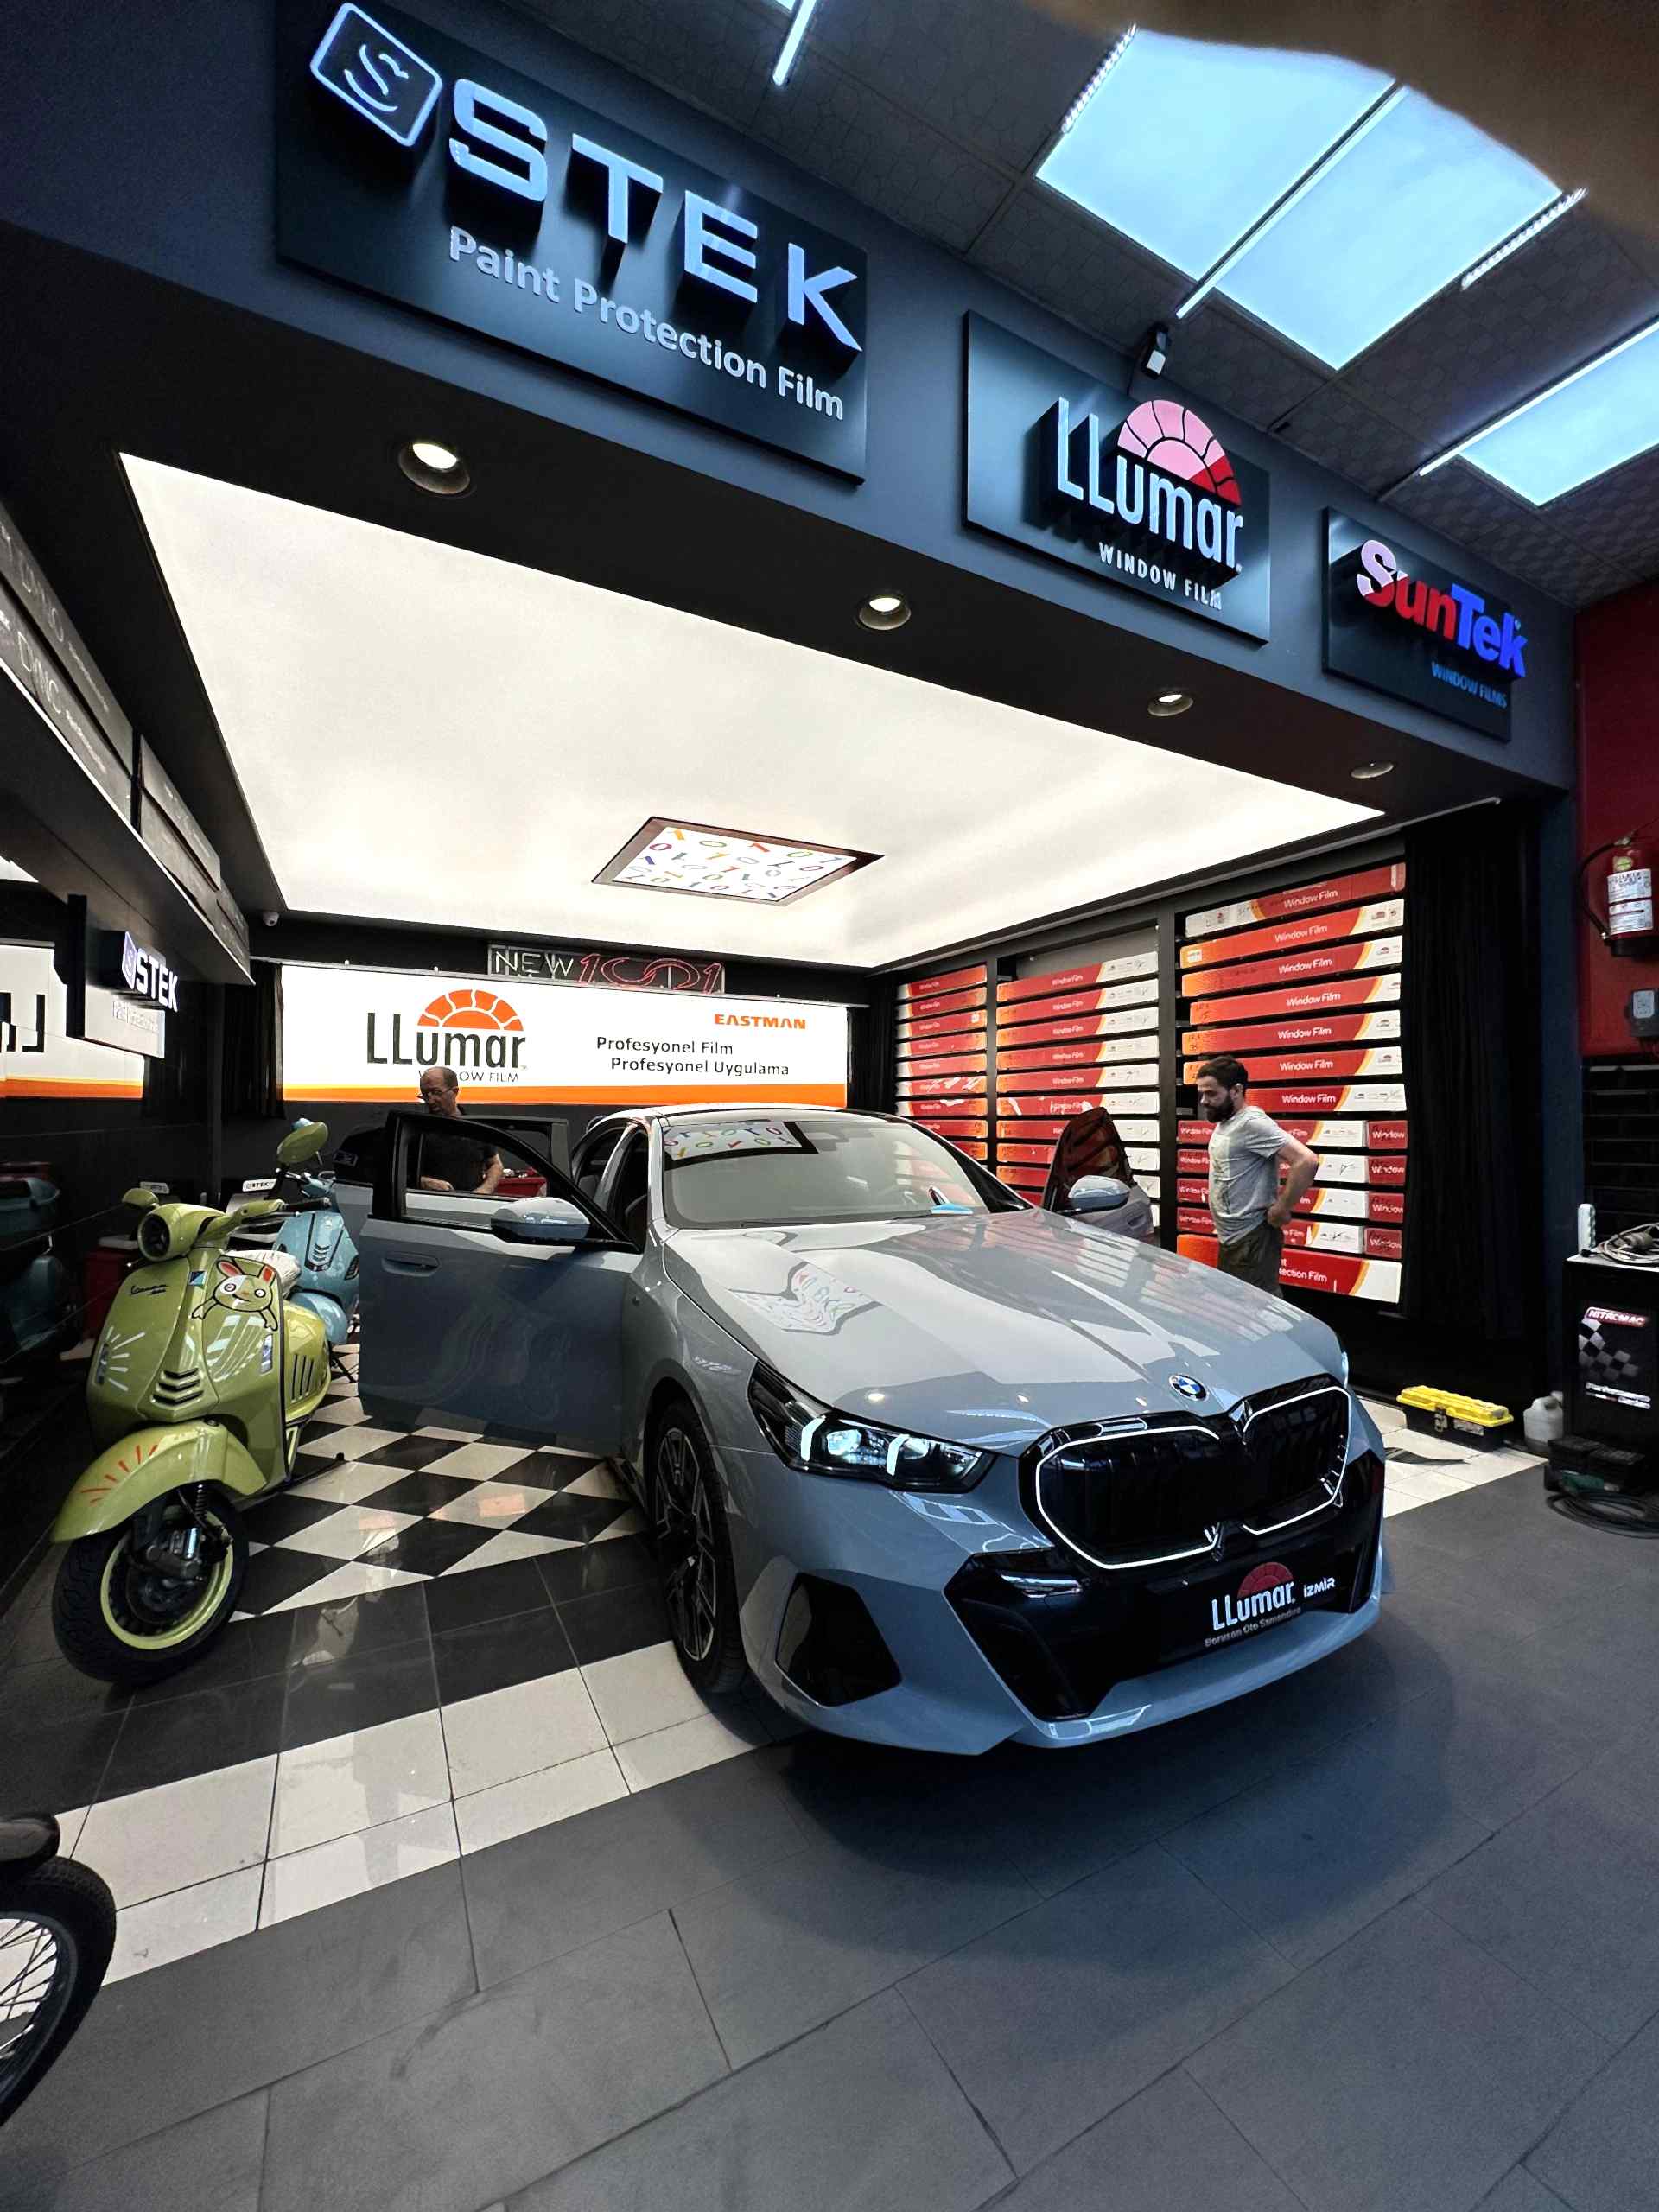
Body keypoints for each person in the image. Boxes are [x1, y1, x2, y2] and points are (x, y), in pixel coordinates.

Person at [1192, 1054, 1318, 1292]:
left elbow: (1306, 1160)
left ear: (1236, 1091)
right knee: (1237, 1308)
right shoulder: (1227, 1120)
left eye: (1211, 1094)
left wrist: (1282, 1208)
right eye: (1202, 1094)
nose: (1204, 1101)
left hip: (1252, 1240)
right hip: (1234, 1239)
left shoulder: (1251, 1123)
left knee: (1254, 1309)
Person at [415, 1065, 503, 1196]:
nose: (430, 1100)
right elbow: (397, 1170)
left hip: (469, 1204)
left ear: (455, 1092)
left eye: (436, 1093)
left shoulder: (477, 1127)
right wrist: (422, 1181)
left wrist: (484, 1190)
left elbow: (495, 1165)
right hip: (428, 1203)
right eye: (425, 1094)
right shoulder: (416, 1129)